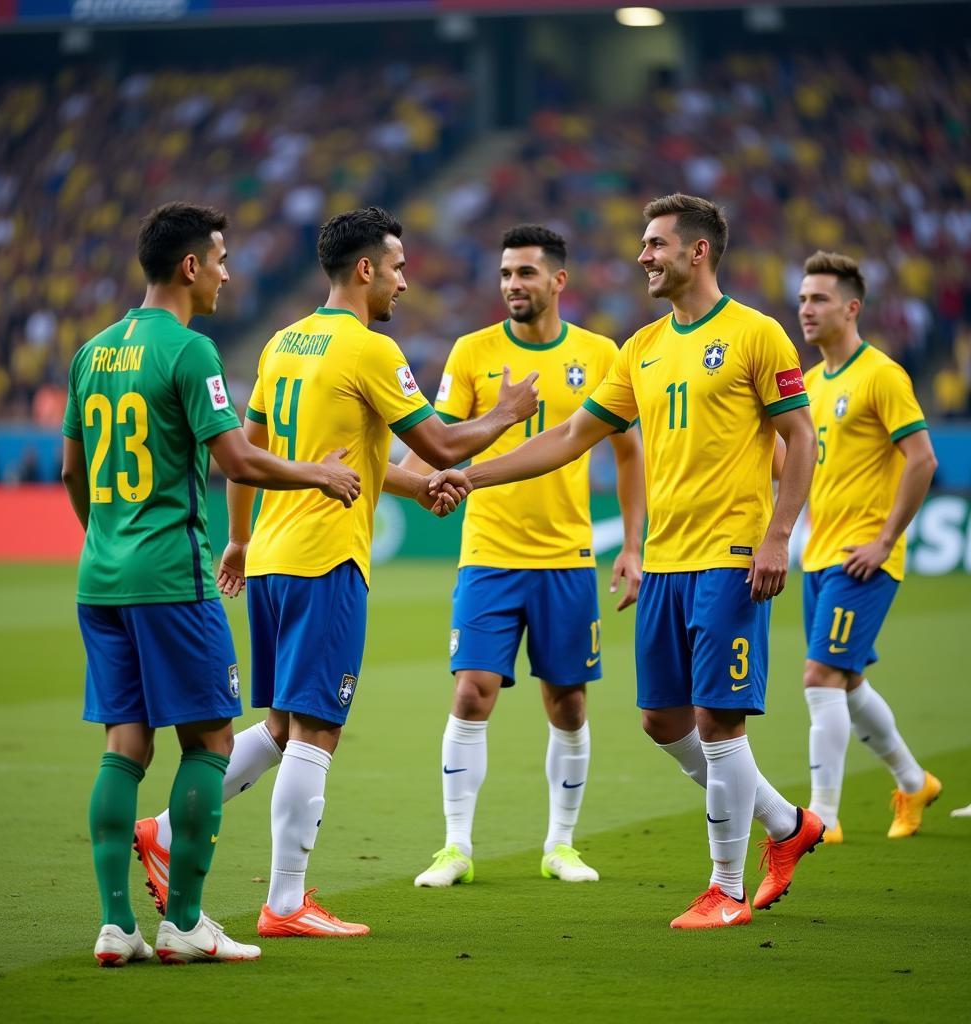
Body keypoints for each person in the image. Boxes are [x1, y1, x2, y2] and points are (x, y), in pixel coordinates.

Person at [133, 206, 539, 937]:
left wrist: (238, 542)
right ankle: (287, 903)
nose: (405, 283)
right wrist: (508, 412)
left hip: (274, 561)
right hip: (328, 561)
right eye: (399, 267)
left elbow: (250, 451)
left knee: (284, 728)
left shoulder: (284, 343)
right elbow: (443, 443)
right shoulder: (370, 350)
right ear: (365, 270)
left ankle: (164, 829)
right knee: (318, 731)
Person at [430, 194, 823, 929]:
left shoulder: (756, 334)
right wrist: (471, 473)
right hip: (668, 561)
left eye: (655, 244)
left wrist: (778, 536)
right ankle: (785, 823)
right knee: (660, 721)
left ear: (697, 251)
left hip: (732, 556)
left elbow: (801, 439)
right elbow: (574, 434)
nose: (643, 256)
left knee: (717, 722)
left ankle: (725, 888)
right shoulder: (640, 347)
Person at [61, 202, 362, 966]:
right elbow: (239, 460)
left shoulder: (91, 352)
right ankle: (186, 922)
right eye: (221, 259)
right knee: (210, 740)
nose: (229, 273)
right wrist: (319, 475)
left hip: (100, 576)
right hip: (170, 575)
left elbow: (70, 470)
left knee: (124, 743)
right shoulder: (190, 351)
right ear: (190, 266)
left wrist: (106, 536)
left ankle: (114, 925)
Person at [404, 224, 645, 887]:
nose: (513, 284)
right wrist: (433, 473)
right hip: (488, 553)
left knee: (567, 703)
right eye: (506, 274)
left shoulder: (600, 354)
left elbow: (627, 452)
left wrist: (630, 543)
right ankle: (454, 847)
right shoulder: (473, 351)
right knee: (472, 693)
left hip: (566, 557)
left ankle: (560, 845)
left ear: (558, 281)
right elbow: (443, 438)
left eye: (526, 274)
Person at [797, 250, 940, 842]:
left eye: (820, 298)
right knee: (847, 683)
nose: (806, 308)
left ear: (852, 307)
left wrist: (885, 540)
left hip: (862, 559)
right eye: (803, 298)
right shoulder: (808, 383)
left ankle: (823, 815)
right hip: (819, 554)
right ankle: (913, 783)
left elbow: (922, 459)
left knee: (820, 677)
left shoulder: (881, 374)